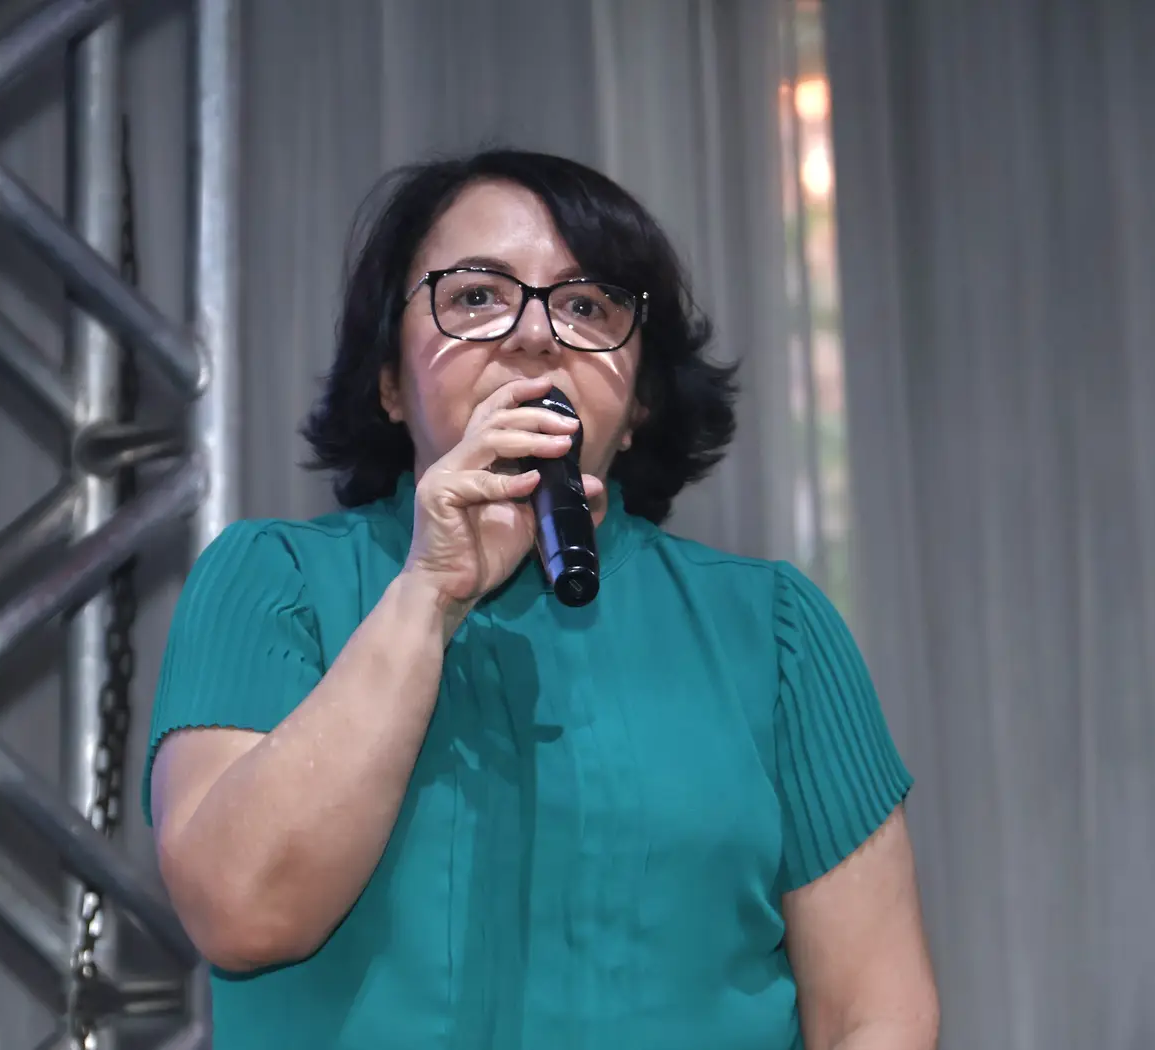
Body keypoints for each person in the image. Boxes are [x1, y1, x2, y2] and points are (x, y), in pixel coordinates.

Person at [143, 148, 939, 1049]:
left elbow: (876, 1013)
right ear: (390, 381)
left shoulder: (773, 630)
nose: (535, 336)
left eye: (587, 305)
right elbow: (241, 910)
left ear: (640, 402)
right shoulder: (273, 579)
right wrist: (429, 592)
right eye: (476, 296)